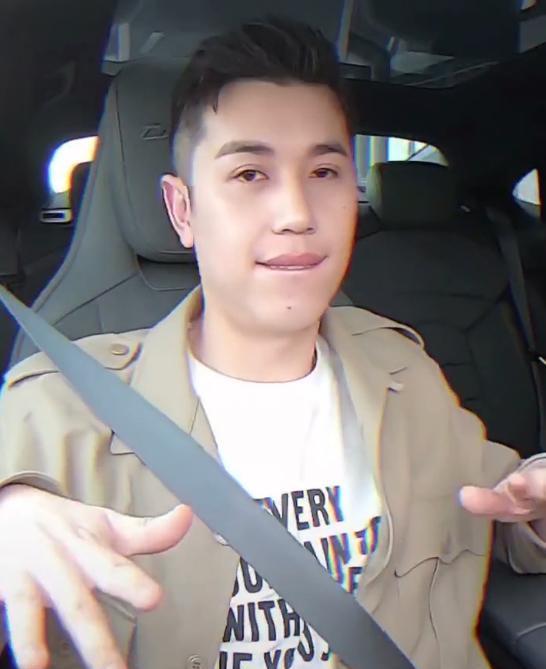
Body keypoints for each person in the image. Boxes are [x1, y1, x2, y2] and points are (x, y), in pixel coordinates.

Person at [0, 17, 545, 669]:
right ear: (182, 210)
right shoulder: (60, 403)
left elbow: (502, 508)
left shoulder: (405, 367)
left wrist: (535, 504)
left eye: (324, 171)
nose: (296, 213)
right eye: (250, 174)